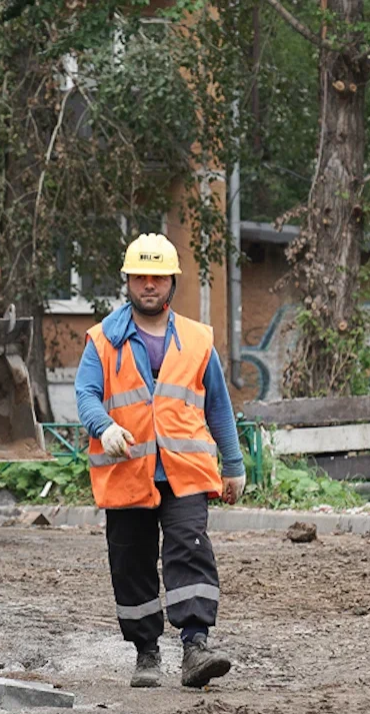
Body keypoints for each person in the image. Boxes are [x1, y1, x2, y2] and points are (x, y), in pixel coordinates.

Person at [75, 233, 246, 689]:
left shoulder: (197, 339)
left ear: (172, 282)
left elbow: (218, 405)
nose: (148, 285)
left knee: (190, 549)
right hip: (127, 470)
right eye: (140, 277)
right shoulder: (103, 340)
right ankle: (146, 652)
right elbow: (86, 394)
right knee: (131, 561)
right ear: (127, 281)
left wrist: (233, 464)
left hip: (184, 472)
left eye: (158, 277)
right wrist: (104, 427)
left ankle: (195, 647)